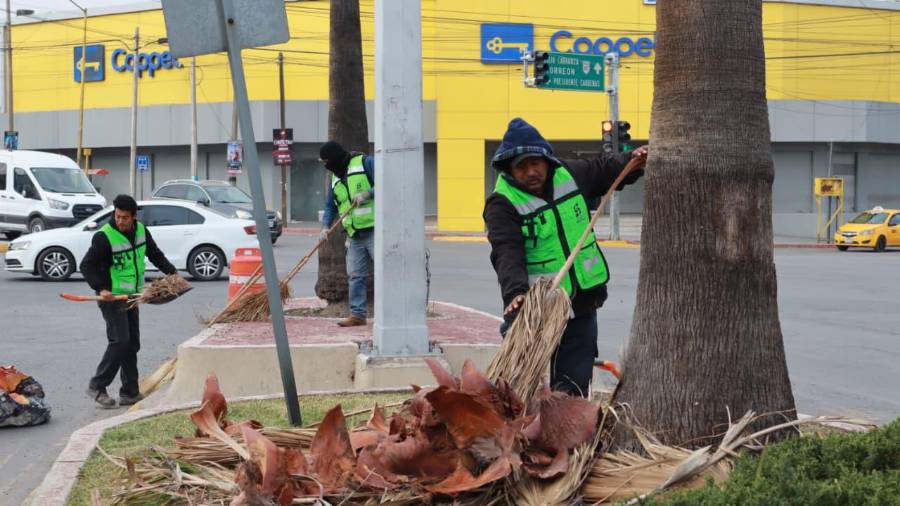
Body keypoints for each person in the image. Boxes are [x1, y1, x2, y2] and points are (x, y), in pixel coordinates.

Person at [484, 118, 647, 397]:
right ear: (509, 169)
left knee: (572, 386)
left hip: (580, 302)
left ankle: (563, 436)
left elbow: (603, 170)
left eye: (536, 163)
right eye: (521, 167)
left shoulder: (568, 174)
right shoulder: (502, 203)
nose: (531, 172)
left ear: (547, 161)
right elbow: (505, 251)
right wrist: (516, 293)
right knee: (515, 387)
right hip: (536, 308)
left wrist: (632, 159)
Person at [81, 194, 178, 408]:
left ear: (134, 217)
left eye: (125, 217)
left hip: (133, 295)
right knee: (120, 341)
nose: (120, 221)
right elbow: (86, 266)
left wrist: (172, 273)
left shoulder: (142, 231)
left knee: (132, 344)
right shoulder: (104, 237)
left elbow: (155, 254)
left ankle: (129, 392)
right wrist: (102, 287)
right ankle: (97, 385)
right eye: (117, 216)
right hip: (112, 298)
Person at [319, 141, 376, 327]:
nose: (326, 166)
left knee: (386, 272)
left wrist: (368, 193)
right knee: (355, 275)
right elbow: (330, 205)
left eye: (327, 161)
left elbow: (387, 182)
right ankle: (358, 315)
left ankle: (393, 313)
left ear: (335, 158)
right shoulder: (335, 179)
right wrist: (325, 227)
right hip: (353, 234)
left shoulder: (365, 163)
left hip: (375, 230)